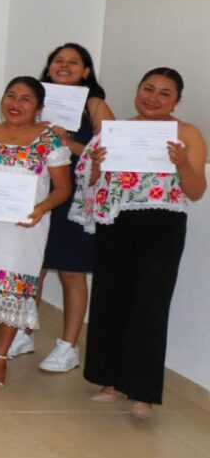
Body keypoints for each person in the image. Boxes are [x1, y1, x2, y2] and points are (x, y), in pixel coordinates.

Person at [72, 67, 205, 418]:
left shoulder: (187, 133)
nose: (154, 97)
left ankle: (143, 391)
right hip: (115, 220)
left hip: (163, 223)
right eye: (148, 88)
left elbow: (196, 191)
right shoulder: (115, 131)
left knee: (151, 304)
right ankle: (109, 380)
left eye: (164, 93)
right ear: (137, 90)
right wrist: (97, 166)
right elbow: (89, 182)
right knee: (110, 299)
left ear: (177, 100)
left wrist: (180, 165)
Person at [0, 77, 71, 391]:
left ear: (38, 107)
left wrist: (42, 207)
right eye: (10, 96)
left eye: (25, 99)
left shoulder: (50, 142)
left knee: (13, 293)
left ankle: (0, 358)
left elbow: (63, 188)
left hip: (25, 228)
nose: (15, 104)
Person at [31, 43, 115, 372]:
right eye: (58, 60)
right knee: (32, 267)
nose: (64, 66)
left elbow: (107, 156)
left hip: (77, 198)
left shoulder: (94, 105)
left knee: (71, 272)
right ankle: (23, 331)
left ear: (86, 71)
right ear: (49, 66)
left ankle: (68, 345)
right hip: (37, 192)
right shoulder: (34, 99)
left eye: (73, 62)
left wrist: (65, 140)